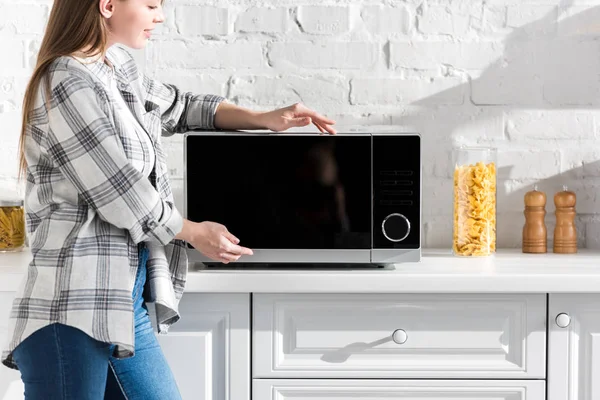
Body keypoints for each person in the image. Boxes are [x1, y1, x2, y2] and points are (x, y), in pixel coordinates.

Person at [0, 0, 337, 398]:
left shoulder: (115, 67)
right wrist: (192, 232)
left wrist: (263, 118)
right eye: (151, 5)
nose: (159, 17)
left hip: (123, 301)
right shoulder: (65, 79)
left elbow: (182, 107)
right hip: (73, 306)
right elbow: (119, 189)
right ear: (107, 5)